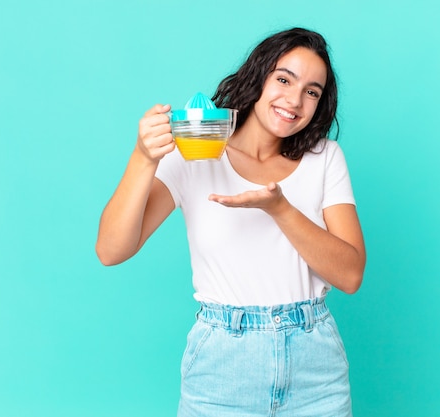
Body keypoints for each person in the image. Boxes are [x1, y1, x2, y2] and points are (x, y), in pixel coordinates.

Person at [96, 27, 366, 417]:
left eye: (312, 91)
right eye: (284, 79)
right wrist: (143, 158)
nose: (295, 100)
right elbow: (110, 250)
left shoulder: (325, 157)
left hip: (315, 367)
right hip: (223, 365)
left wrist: (280, 209)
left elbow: (351, 275)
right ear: (259, 77)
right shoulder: (196, 151)